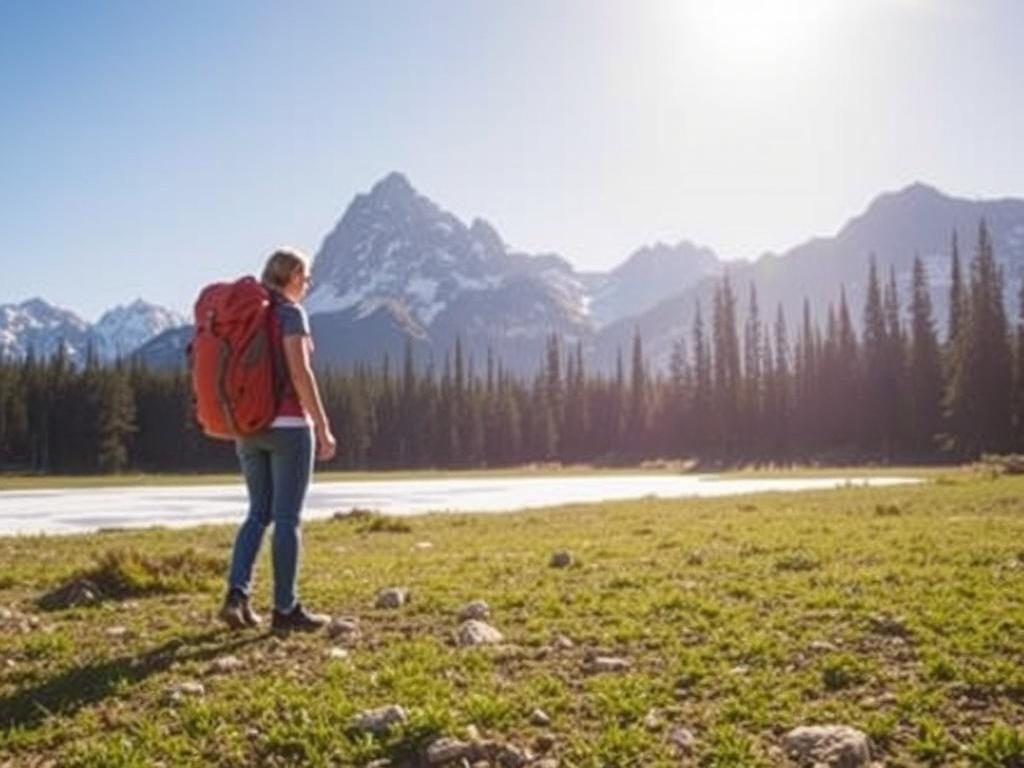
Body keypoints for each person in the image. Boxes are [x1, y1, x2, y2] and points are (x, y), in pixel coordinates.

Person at [219, 247, 337, 632]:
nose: (307, 286)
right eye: (306, 278)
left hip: (248, 428)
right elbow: (300, 374)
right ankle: (285, 610)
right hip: (288, 427)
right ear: (293, 276)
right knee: (287, 517)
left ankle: (236, 595)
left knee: (258, 513)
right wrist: (322, 425)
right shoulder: (289, 312)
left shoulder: (249, 315)